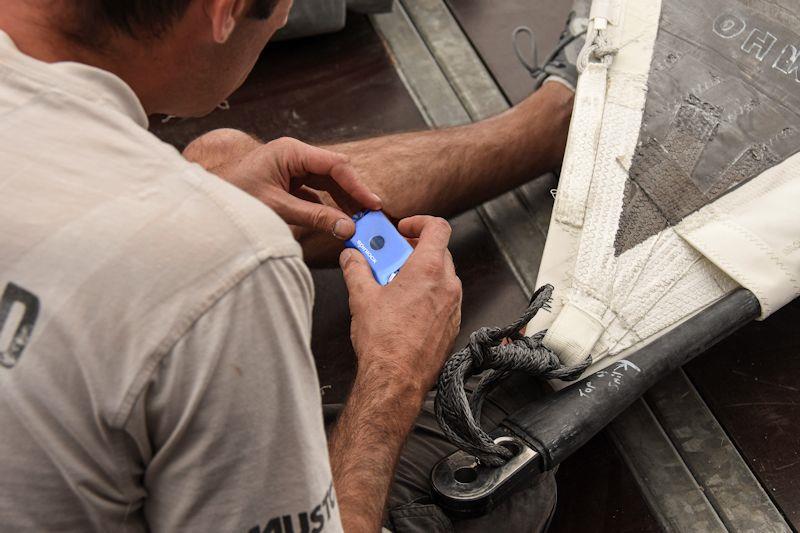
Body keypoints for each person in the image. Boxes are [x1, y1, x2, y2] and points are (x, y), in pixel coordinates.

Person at [0, 0, 580, 531]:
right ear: (225, 10)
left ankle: (549, 124)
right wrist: (395, 371)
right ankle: (560, 120)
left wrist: (200, 198)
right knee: (502, 478)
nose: (284, 18)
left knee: (217, 158)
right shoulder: (232, 270)